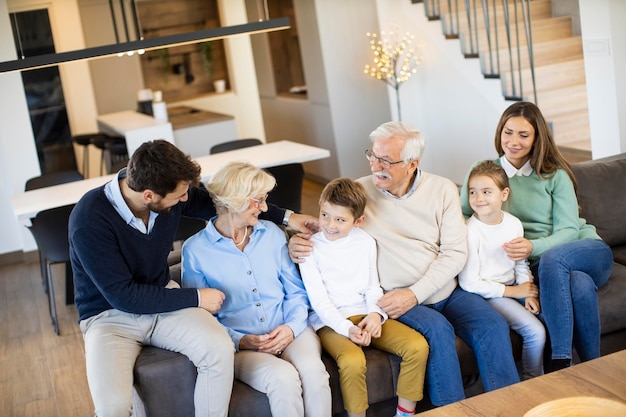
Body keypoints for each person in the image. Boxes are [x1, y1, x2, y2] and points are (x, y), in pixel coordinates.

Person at [69, 140, 316, 417]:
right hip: (109, 316)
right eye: (180, 196)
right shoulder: (89, 219)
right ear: (149, 196)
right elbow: (123, 296)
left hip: (165, 302)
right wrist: (197, 297)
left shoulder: (171, 193)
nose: (186, 200)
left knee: (219, 349)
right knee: (111, 408)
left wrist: (286, 217)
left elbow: (226, 202)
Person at [290, 121, 520, 406]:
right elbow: (329, 225)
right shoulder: (360, 192)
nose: (376, 166)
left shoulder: (442, 189)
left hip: (442, 291)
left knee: (492, 325)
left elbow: (454, 253)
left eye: (386, 160)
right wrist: (295, 239)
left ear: (413, 164)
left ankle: (513, 408)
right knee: (438, 332)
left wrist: (414, 294)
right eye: (373, 156)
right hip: (393, 298)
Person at [460, 101, 613, 371]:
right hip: (540, 265)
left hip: (584, 249)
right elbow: (463, 215)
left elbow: (569, 230)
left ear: (536, 138)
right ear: (499, 133)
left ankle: (560, 359)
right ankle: (593, 366)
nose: (513, 141)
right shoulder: (485, 173)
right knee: (578, 285)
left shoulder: (554, 175)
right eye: (508, 132)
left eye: (523, 134)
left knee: (555, 260)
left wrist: (533, 246)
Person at [181, 162, 331, 417]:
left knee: (314, 373)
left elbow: (295, 292)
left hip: (290, 328)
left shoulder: (272, 234)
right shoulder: (195, 251)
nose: (264, 208)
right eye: (258, 200)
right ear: (233, 201)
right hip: (242, 347)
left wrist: (291, 327)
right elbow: (201, 319)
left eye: (264, 200)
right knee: (282, 379)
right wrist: (241, 340)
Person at [299, 177, 429, 417]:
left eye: (340, 220)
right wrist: (346, 328)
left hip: (365, 311)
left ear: (358, 221)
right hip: (330, 321)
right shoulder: (310, 248)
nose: (329, 225)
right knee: (352, 361)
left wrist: (376, 315)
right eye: (325, 215)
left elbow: (372, 287)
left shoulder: (366, 242)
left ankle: (404, 413)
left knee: (417, 346)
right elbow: (319, 302)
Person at [458, 160, 545, 380]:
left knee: (548, 317)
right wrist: (516, 293)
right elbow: (469, 283)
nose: (479, 198)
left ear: (504, 194)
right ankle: (533, 380)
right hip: (488, 295)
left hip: (513, 287)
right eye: (473, 192)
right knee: (536, 332)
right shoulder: (470, 232)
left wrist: (529, 292)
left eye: (487, 191)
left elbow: (520, 261)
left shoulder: (513, 224)